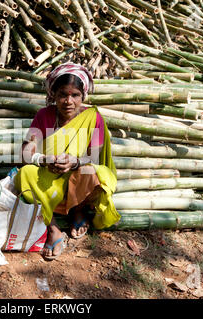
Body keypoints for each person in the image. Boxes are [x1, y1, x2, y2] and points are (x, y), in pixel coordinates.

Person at [14, 62, 119, 261]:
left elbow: (95, 157)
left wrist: (75, 162)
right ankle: (53, 227)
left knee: (93, 172)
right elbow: (26, 153)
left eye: (75, 95)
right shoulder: (44, 115)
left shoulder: (93, 118)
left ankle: (78, 211)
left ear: (83, 96)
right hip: (49, 179)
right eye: (63, 94)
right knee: (24, 174)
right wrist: (44, 160)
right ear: (53, 94)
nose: (68, 101)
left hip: (77, 180)